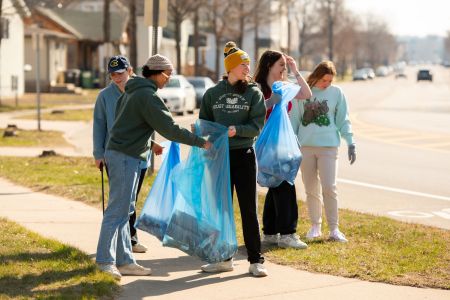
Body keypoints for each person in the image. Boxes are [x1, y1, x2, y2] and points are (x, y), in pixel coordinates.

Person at [95, 54, 211, 279]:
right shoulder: (146, 95)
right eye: (168, 73)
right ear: (157, 73)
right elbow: (169, 128)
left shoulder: (133, 92)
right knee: (116, 211)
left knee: (125, 210)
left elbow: (129, 125)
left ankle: (125, 261)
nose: (169, 78)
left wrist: (150, 142)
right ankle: (104, 261)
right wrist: (200, 142)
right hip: (124, 156)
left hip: (126, 154)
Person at [198, 41, 268, 277]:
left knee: (248, 209)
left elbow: (257, 125)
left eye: (248, 64)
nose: (248, 68)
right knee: (221, 210)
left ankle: (255, 259)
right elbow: (204, 123)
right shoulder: (212, 94)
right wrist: (203, 133)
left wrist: (236, 130)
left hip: (244, 155)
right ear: (231, 67)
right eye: (243, 64)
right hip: (218, 157)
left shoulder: (253, 92)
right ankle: (223, 258)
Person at [93, 55, 163, 255]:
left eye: (120, 73)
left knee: (131, 200)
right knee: (121, 201)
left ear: (130, 71)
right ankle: (119, 246)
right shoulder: (105, 96)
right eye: (112, 75)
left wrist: (152, 143)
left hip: (139, 156)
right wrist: (98, 154)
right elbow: (99, 126)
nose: (116, 78)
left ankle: (129, 241)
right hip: (115, 155)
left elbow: (140, 125)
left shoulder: (138, 93)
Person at [289, 61, 356, 243]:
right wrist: (292, 144)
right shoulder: (302, 92)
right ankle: (315, 226)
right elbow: (294, 120)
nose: (327, 84)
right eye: (325, 80)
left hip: (328, 147)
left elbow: (343, 119)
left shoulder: (336, 93)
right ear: (317, 76)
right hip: (306, 147)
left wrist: (350, 142)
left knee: (329, 187)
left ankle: (334, 229)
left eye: (330, 80)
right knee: (311, 189)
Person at [254, 50, 312, 249]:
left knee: (276, 185)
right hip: (265, 145)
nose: (283, 70)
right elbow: (252, 111)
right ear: (269, 65)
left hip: (283, 144)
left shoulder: (283, 87)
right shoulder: (258, 88)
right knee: (285, 185)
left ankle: (270, 233)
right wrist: (270, 102)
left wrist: (296, 71)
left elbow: (306, 94)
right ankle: (288, 234)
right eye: (281, 66)